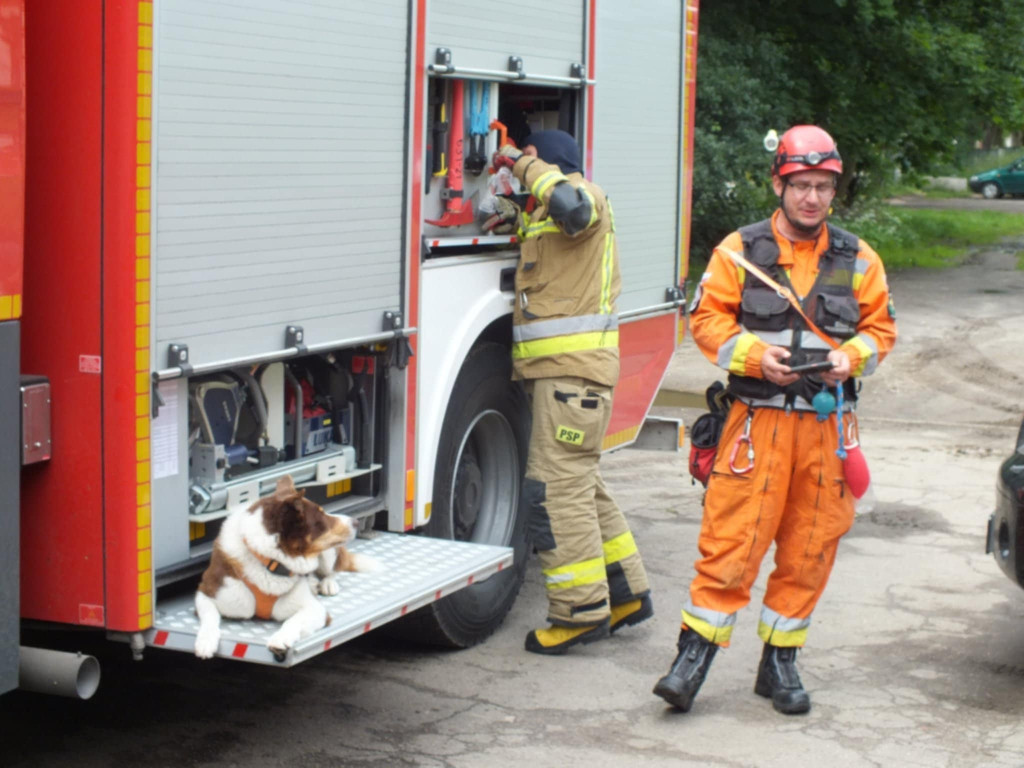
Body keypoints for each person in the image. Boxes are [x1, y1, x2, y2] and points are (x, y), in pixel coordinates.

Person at [652, 125, 897, 713]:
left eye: (823, 186)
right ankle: (691, 662)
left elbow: (880, 330)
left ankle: (779, 664)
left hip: (827, 428)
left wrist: (851, 356)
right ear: (778, 183)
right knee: (731, 544)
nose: (812, 197)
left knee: (811, 546)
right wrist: (758, 357)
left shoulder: (859, 257)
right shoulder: (739, 250)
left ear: (834, 189)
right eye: (801, 185)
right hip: (755, 424)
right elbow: (707, 321)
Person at [486, 130, 652, 655]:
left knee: (554, 495)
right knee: (582, 488)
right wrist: (515, 219)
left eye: (532, 166)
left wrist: (517, 161)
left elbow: (571, 208)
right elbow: (554, 235)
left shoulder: (586, 197)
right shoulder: (558, 219)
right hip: (571, 381)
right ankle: (625, 591)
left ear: (549, 165)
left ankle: (579, 611)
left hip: (570, 380)